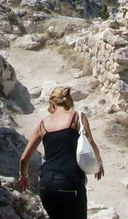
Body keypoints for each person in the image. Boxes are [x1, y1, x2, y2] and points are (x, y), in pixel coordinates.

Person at [17, 86, 103, 218]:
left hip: (46, 184)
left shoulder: (42, 124)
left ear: (52, 103)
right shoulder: (77, 117)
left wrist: (23, 176)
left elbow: (24, 159)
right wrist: (99, 163)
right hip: (69, 182)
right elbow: (91, 142)